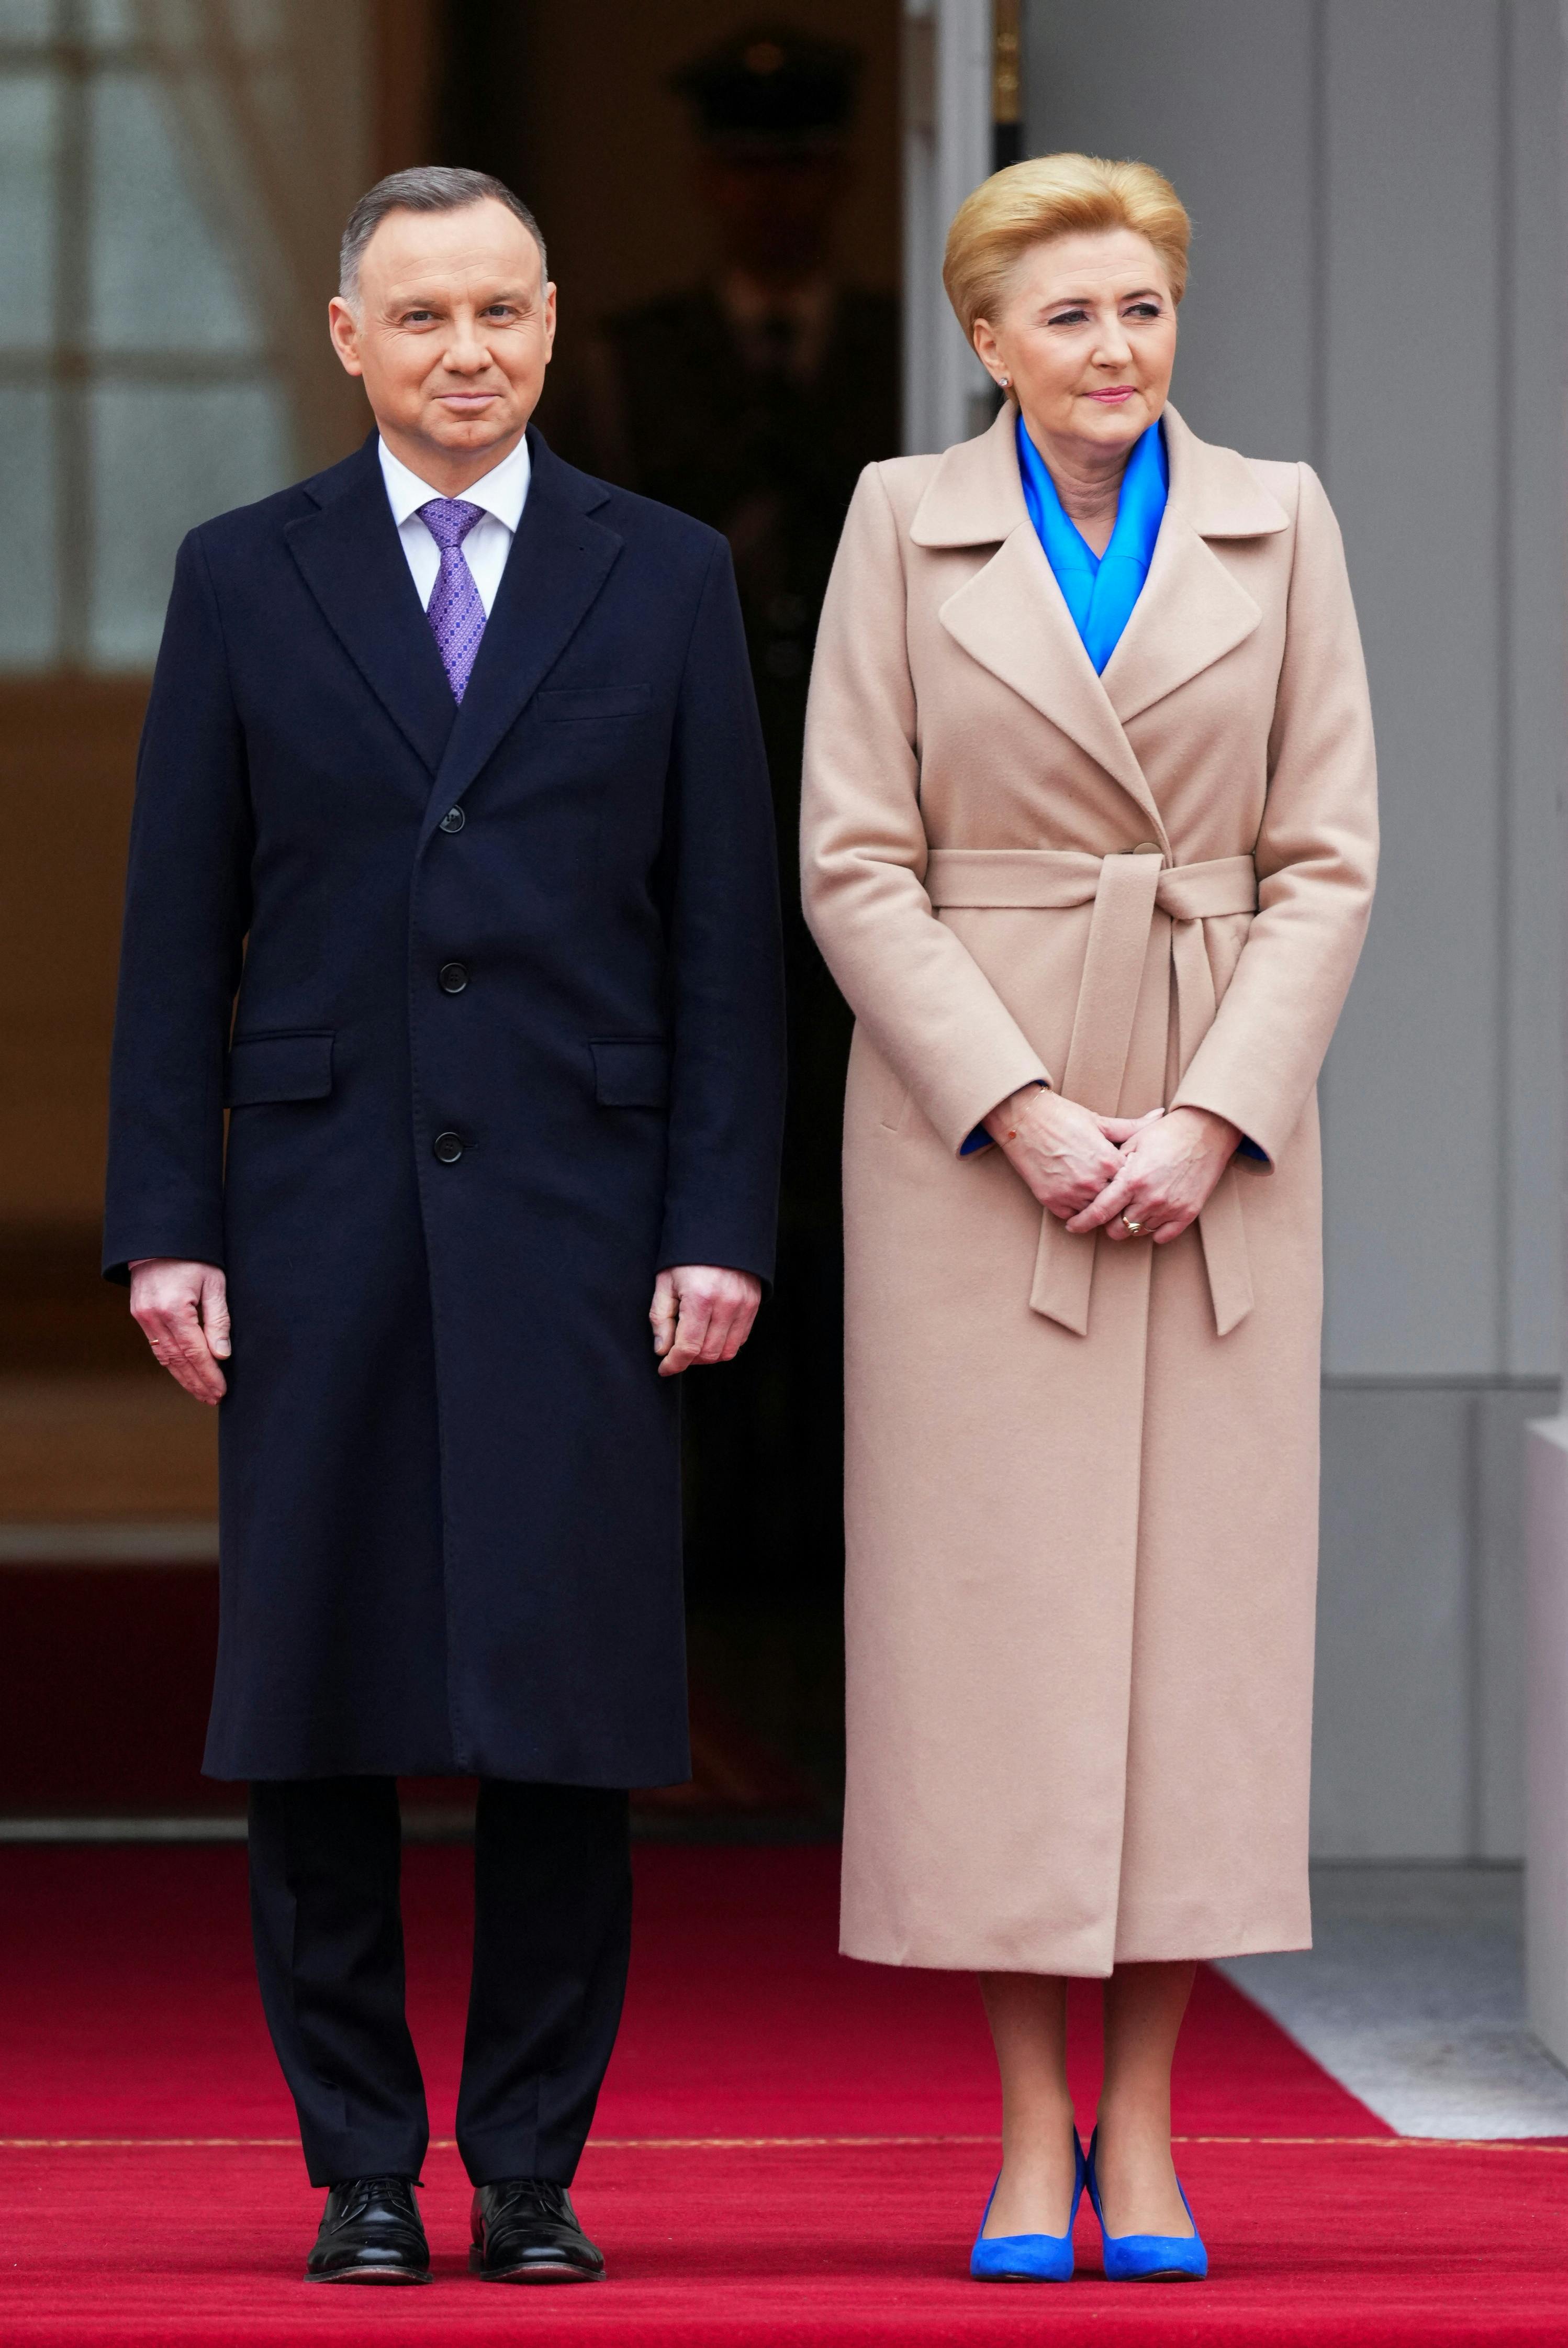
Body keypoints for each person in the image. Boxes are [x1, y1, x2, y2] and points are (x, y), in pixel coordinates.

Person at [103, 166, 784, 2288]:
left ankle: (531, 2167)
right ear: (346, 341)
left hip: (586, 1220)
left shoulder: (658, 579)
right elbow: (174, 929)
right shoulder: (244, 576)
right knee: (312, 1700)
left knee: (571, 1708)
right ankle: (363, 2167)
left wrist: (717, 1220)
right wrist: (165, 1223)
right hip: (313, 1211)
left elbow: (725, 950)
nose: (464, 353)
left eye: (499, 312)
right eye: (421, 318)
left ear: (554, 325)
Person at [801, 153, 1376, 2283]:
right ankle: (1027, 2137)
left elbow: (1325, 853)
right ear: (981, 339)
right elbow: (852, 859)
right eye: (1065, 318)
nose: (1112, 350)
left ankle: (1147, 2133)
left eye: (1140, 309)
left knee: (1191, 1660)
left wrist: (1211, 1114)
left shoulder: (1281, 518)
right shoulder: (895, 521)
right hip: (975, 1154)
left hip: (1219, 1143)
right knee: (998, 1651)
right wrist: (1024, 1113)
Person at [554, 25, 899, 1631]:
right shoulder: (629, 360)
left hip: (876, 819)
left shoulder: (906, 357)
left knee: (852, 1179)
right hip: (690, 827)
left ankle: (828, 1543)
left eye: (802, 167)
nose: (774, 200)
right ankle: (703, 1551)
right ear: (705, 180)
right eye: (747, 168)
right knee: (698, 1172)